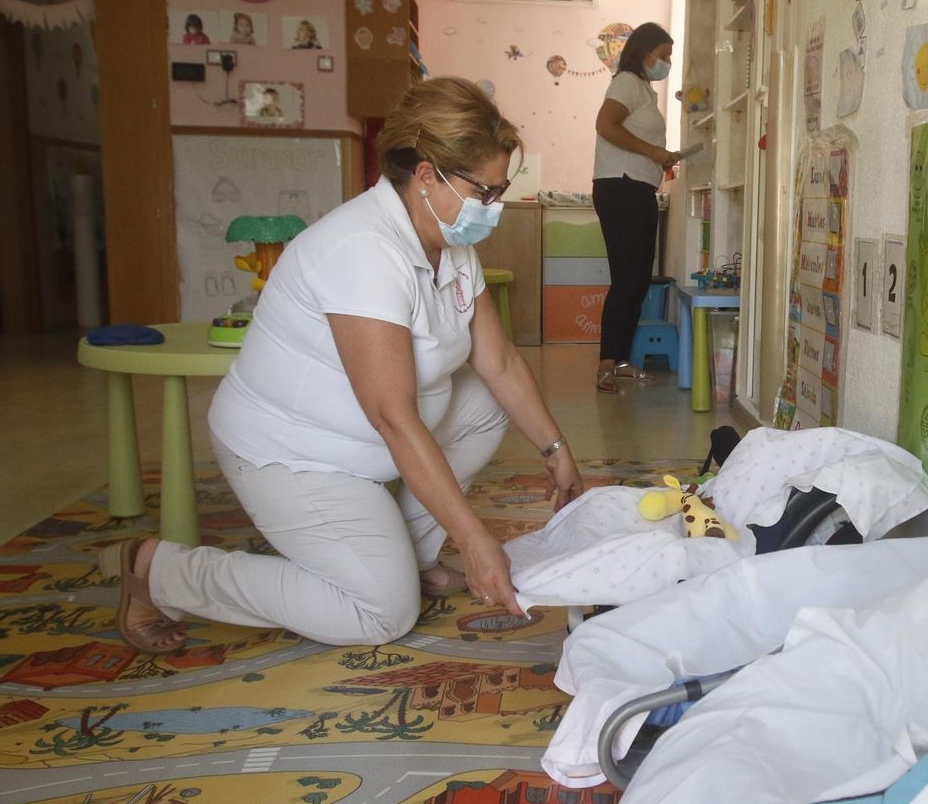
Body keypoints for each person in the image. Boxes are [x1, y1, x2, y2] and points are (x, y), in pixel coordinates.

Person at [98, 76, 582, 651]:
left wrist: (557, 451)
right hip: (295, 455)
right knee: (379, 613)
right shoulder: (363, 252)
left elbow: (498, 361)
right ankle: (159, 571)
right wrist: (475, 540)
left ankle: (413, 557)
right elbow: (392, 418)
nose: (493, 208)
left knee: (482, 404)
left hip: (365, 446)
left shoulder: (450, 244)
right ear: (427, 176)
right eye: (486, 192)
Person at [591, 21, 679, 393]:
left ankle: (622, 361)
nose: (667, 63)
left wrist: (661, 159)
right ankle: (607, 365)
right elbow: (605, 125)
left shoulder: (643, 90)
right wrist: (652, 152)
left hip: (637, 186)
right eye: (663, 56)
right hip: (621, 186)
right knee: (627, 280)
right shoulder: (626, 81)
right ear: (644, 53)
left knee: (639, 280)